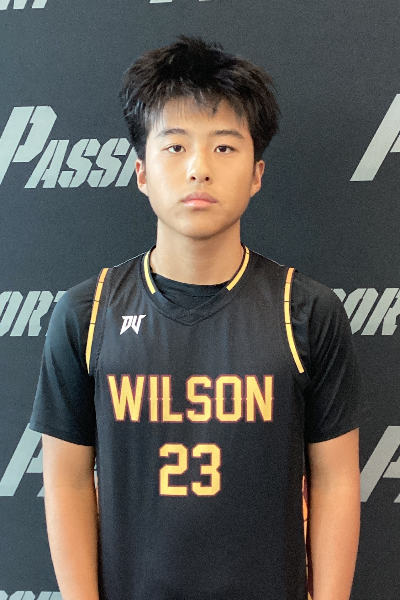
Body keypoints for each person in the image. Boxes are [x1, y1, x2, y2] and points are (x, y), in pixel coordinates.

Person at [29, 35, 369, 600]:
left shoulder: (306, 311)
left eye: (224, 147)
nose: (198, 169)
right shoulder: (87, 314)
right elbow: (66, 480)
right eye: (175, 146)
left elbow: (335, 480)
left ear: (257, 173)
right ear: (142, 172)